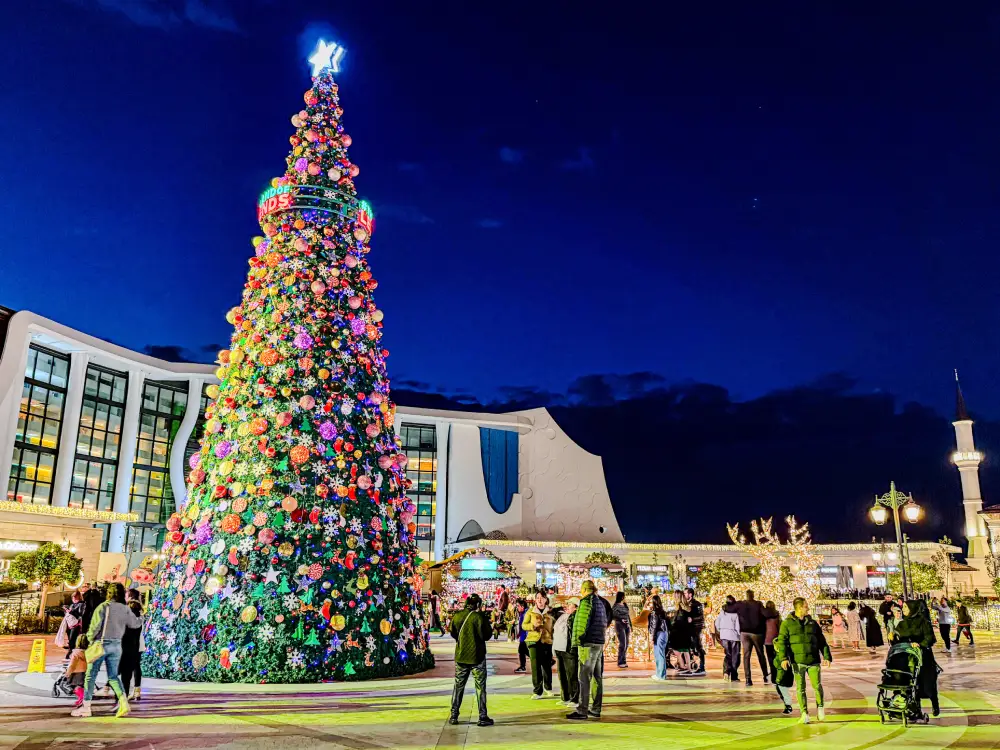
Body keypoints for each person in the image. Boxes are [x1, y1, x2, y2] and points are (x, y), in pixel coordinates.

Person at [71, 583, 142, 718]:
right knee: (113, 676)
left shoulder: (103, 607)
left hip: (101, 644)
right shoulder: (124, 608)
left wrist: (89, 639)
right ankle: (123, 702)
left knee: (91, 676)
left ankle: (86, 706)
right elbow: (135, 623)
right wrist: (142, 616)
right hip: (116, 646)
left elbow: (94, 628)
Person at [774, 597, 832, 724]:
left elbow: (822, 641)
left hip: (813, 660)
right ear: (799, 608)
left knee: (817, 686)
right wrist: (783, 658)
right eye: (806, 606)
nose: (808, 608)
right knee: (800, 688)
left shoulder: (812, 623)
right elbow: (782, 641)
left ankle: (820, 707)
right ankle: (804, 713)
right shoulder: (787, 623)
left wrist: (827, 656)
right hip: (797, 661)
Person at [448, 594, 494, 727]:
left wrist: (462, 641)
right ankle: (482, 716)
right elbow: (487, 635)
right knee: (480, 687)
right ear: (478, 605)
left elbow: (452, 632)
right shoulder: (479, 617)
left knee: (458, 686)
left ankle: (454, 714)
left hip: (461, 656)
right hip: (477, 657)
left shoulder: (457, 616)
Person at [890, 599, 940, 718]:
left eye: (906, 608)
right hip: (908, 658)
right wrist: (893, 638)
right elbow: (899, 640)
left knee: (927, 683)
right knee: (912, 683)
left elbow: (930, 638)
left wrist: (920, 644)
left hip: (923, 657)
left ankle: (935, 703)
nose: (903, 610)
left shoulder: (923, 622)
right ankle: (916, 708)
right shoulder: (903, 623)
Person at [566, 580, 607, 721]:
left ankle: (582, 710)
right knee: (597, 677)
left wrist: (578, 640)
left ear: (584, 589)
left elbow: (582, 624)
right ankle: (596, 708)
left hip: (588, 644)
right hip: (598, 643)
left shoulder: (586, 602)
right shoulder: (599, 602)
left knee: (584, 677)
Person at [523, 591, 555, 699]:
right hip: (533, 641)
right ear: (535, 600)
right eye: (537, 598)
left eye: (542, 598)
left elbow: (555, 626)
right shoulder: (530, 612)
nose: (540, 600)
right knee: (535, 666)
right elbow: (524, 625)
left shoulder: (550, 612)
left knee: (547, 666)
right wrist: (532, 626)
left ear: (546, 599)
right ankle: (537, 691)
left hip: (547, 641)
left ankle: (548, 687)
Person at [734, 589, 768, 685]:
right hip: (757, 633)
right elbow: (765, 614)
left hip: (744, 632)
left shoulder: (741, 604)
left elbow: (730, 609)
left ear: (746, 595)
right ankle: (765, 676)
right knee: (760, 654)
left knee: (746, 656)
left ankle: (748, 679)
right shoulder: (758, 604)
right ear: (753, 595)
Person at [553, 597, 580, 706]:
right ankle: (565, 696)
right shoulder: (563, 616)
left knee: (571, 675)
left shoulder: (575, 617)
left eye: (570, 604)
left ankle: (575, 698)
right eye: (567, 604)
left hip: (569, 649)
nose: (567, 606)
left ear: (576, 607)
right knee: (562, 674)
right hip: (559, 648)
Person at [119, 589, 144, 700]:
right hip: (139, 642)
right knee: (136, 665)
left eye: (126, 595)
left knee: (125, 668)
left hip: (130, 643)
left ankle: (120, 692)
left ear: (129, 596)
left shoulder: (129, 610)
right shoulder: (140, 611)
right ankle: (137, 690)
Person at [715, 595, 741, 682]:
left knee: (728, 655)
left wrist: (720, 630)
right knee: (735, 656)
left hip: (724, 635)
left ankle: (726, 672)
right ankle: (734, 676)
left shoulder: (723, 611)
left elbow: (717, 622)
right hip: (733, 636)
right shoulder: (736, 613)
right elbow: (737, 626)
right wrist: (739, 635)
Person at [684, 588, 707, 675]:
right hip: (689, 629)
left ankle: (702, 667)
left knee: (698, 647)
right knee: (690, 647)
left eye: (685, 593)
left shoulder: (697, 604)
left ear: (690, 594)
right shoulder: (687, 604)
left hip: (695, 629)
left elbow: (701, 617)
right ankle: (689, 664)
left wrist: (692, 619)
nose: (684, 595)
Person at [648, 594, 669, 681]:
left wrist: (652, 637)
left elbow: (654, 626)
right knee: (661, 654)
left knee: (659, 655)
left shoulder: (654, 613)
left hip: (659, 634)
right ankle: (660, 673)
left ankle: (661, 675)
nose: (649, 604)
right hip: (664, 633)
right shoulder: (662, 611)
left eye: (650, 602)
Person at [671, 591, 693, 673]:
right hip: (686, 631)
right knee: (685, 650)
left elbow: (677, 621)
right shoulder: (686, 606)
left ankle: (682, 665)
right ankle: (689, 668)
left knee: (676, 650)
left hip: (678, 632)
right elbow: (688, 619)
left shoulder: (678, 608)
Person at [66, 634, 88, 707]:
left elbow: (72, 664)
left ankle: (81, 697)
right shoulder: (88, 652)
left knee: (74, 686)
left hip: (76, 672)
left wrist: (68, 672)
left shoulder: (76, 653)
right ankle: (80, 698)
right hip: (85, 671)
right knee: (81, 686)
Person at [611, 592, 632, 668]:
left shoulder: (625, 605)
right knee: (623, 643)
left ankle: (623, 660)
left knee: (626, 644)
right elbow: (613, 615)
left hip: (627, 625)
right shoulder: (616, 606)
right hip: (620, 625)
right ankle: (620, 661)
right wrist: (620, 619)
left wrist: (630, 625)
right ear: (622, 597)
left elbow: (628, 615)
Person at [64, 591, 86, 655]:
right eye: (72, 598)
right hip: (70, 624)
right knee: (70, 637)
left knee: (73, 637)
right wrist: (67, 611)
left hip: (77, 624)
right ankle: (71, 648)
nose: (73, 599)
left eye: (74, 598)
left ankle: (70, 651)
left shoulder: (81, 604)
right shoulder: (72, 605)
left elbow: (80, 614)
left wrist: (71, 611)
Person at [763, 600, 781, 676]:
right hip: (776, 639)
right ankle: (777, 671)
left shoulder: (764, 616)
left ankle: (773, 671)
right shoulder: (777, 615)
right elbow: (780, 627)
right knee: (777, 656)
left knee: (770, 657)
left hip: (767, 639)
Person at [514, 599, 529, 673]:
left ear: (522, 607)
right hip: (523, 636)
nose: (517, 607)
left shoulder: (526, 614)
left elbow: (524, 626)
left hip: (525, 637)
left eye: (518, 606)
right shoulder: (523, 613)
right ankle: (522, 666)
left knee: (523, 651)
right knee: (524, 651)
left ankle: (523, 666)